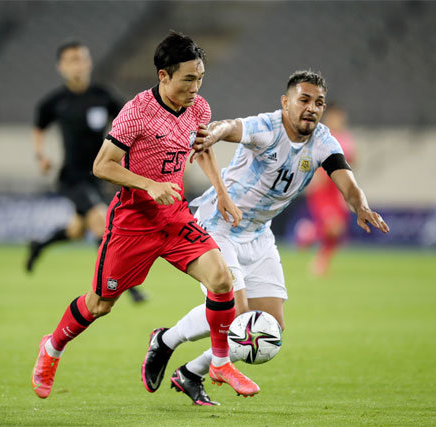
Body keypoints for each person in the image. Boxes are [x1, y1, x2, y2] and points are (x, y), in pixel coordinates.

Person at [31, 31, 260, 400]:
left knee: (221, 279)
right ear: (163, 75)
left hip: (175, 218)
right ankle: (52, 348)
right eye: (188, 78)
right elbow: (102, 166)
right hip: (133, 223)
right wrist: (148, 184)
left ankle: (219, 363)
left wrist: (221, 193)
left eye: (200, 78)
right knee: (100, 304)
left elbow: (201, 148)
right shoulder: (137, 112)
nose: (195, 87)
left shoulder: (199, 108)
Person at [141, 70, 389, 406]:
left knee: (271, 325)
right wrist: (213, 135)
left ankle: (190, 372)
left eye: (318, 103)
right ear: (286, 103)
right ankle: (167, 341)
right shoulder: (267, 127)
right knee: (237, 315)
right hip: (219, 224)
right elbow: (229, 127)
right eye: (304, 100)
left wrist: (360, 205)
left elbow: (344, 177)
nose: (312, 108)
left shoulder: (323, 141)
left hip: (258, 233)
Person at [25, 40, 146, 303]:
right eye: (71, 60)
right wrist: (40, 155)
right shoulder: (55, 102)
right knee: (100, 222)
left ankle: (39, 245)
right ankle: (122, 285)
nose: (77, 65)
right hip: (71, 177)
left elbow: (128, 121)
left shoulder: (103, 96)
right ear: (61, 67)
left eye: (81, 59)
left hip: (99, 175)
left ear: (89, 62)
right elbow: (39, 126)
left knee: (77, 231)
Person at [296, 102, 357, 276]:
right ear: (328, 117)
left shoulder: (345, 139)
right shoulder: (320, 137)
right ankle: (308, 235)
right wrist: (313, 177)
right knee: (334, 227)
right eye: (335, 117)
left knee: (339, 230)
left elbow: (352, 162)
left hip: (337, 189)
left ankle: (316, 249)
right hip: (322, 190)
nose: (338, 120)